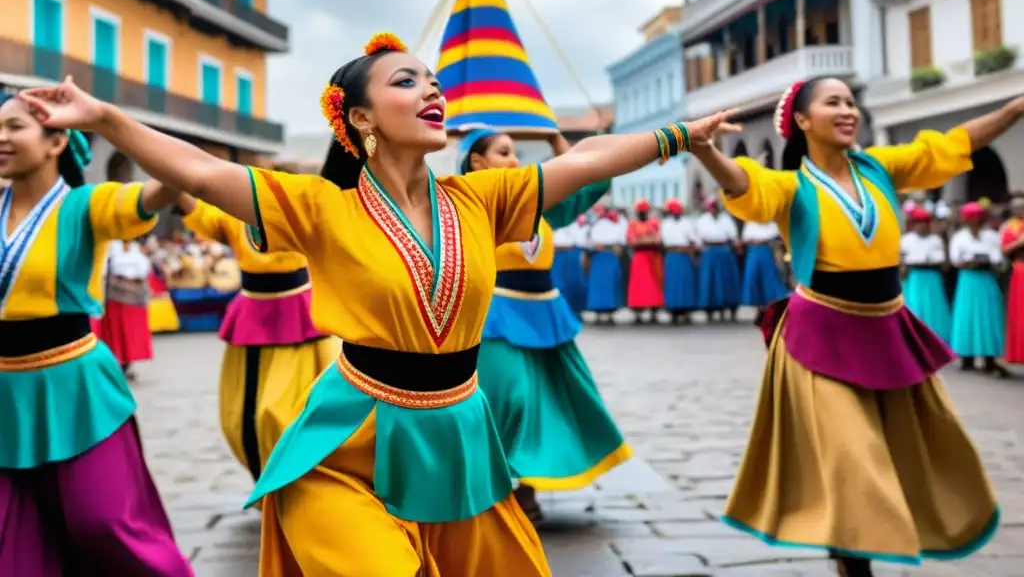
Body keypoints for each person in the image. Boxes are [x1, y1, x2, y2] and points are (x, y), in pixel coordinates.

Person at [18, 33, 736, 577]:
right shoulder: (319, 208)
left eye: (435, 81)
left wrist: (679, 137)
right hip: (351, 440)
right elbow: (204, 173)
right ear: (360, 117)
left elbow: (582, 161)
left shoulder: (482, 199)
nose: (435, 91)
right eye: (408, 81)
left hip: (459, 436)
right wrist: (105, 116)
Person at [689, 76, 1010, 576]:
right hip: (821, 335)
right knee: (850, 457)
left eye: (851, 102)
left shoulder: (878, 168)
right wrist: (706, 150)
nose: (848, 111)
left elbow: (955, 144)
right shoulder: (790, 185)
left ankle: (860, 550)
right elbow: (743, 184)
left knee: (922, 447)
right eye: (833, 102)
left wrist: (1016, 105)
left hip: (886, 328)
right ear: (802, 120)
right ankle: (854, 565)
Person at [0, 92, 192, 576]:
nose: (0, 138)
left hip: (74, 381)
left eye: (15, 127)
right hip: (4, 390)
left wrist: (107, 119)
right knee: (12, 542)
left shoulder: (90, 205)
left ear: (56, 141)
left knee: (104, 522)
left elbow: (175, 182)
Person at [457, 128, 629, 525]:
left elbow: (591, 177)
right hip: (496, 319)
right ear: (477, 161)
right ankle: (500, 491)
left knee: (555, 401)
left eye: (516, 152)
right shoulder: (469, 201)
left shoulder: (535, 202)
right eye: (503, 152)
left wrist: (556, 143)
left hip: (545, 315)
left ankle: (527, 488)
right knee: (510, 399)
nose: (515, 160)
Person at [180, 195, 341, 482]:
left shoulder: (304, 207)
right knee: (244, 417)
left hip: (300, 317)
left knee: (288, 411)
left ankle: (302, 482)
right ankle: (271, 483)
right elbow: (196, 204)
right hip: (253, 314)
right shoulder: (231, 215)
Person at [949, 202, 1009, 377]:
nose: (975, 223)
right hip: (968, 279)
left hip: (986, 279)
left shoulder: (991, 236)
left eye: (978, 220)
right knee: (967, 315)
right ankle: (967, 357)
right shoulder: (959, 237)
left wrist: (986, 259)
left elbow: (998, 256)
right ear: (966, 221)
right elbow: (954, 258)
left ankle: (989, 358)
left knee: (988, 316)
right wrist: (968, 261)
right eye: (971, 220)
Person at [100, 238, 155, 379]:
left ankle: (128, 363)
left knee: (133, 333)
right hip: (115, 296)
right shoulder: (111, 248)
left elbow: (143, 270)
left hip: (135, 298)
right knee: (116, 332)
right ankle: (116, 363)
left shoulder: (137, 250)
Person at [900, 205, 952, 344]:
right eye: (918, 223)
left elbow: (942, 260)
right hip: (914, 276)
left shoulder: (936, 240)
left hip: (932, 275)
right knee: (915, 305)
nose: (922, 226)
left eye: (925, 223)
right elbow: (902, 259)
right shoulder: (906, 240)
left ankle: (936, 337)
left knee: (934, 306)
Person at [695, 196, 740, 322]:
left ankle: (730, 307)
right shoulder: (702, 220)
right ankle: (710, 309)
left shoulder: (726, 219)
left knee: (726, 280)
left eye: (715, 207)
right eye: (711, 207)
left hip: (724, 251)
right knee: (710, 281)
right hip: (709, 252)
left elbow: (733, 237)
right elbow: (698, 239)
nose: (713, 210)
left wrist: (736, 246)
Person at [660, 198, 699, 324]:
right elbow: (663, 241)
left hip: (684, 255)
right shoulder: (665, 224)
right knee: (672, 283)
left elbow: (695, 240)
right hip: (672, 255)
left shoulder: (687, 223)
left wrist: (690, 249)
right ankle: (673, 310)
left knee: (685, 283)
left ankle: (687, 309)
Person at [738, 218, 787, 317]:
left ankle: (770, 304)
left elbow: (778, 238)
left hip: (767, 250)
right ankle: (757, 305)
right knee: (754, 276)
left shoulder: (772, 224)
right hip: (754, 251)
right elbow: (745, 238)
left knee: (769, 277)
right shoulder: (750, 223)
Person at [626, 199, 664, 323]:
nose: (642, 214)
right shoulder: (633, 224)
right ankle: (638, 311)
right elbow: (632, 241)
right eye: (640, 211)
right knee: (639, 285)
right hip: (639, 257)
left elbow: (657, 240)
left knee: (654, 284)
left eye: (644, 211)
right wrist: (647, 239)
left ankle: (654, 310)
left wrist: (643, 239)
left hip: (652, 257)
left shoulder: (654, 223)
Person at [586, 206, 624, 323]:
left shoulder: (609, 225)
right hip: (603, 256)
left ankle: (604, 311)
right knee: (604, 284)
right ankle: (606, 311)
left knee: (604, 285)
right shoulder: (612, 225)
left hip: (604, 256)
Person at [1001, 197, 1024, 365]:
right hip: (1018, 269)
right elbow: (1004, 250)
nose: (1019, 210)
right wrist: (1019, 243)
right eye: (1016, 207)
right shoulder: (1008, 227)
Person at [551, 214, 587, 316]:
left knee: (575, 282)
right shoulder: (552, 221)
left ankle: (576, 310)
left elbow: (580, 239)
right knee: (558, 284)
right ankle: (559, 311)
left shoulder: (575, 222)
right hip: (556, 255)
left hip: (572, 253)